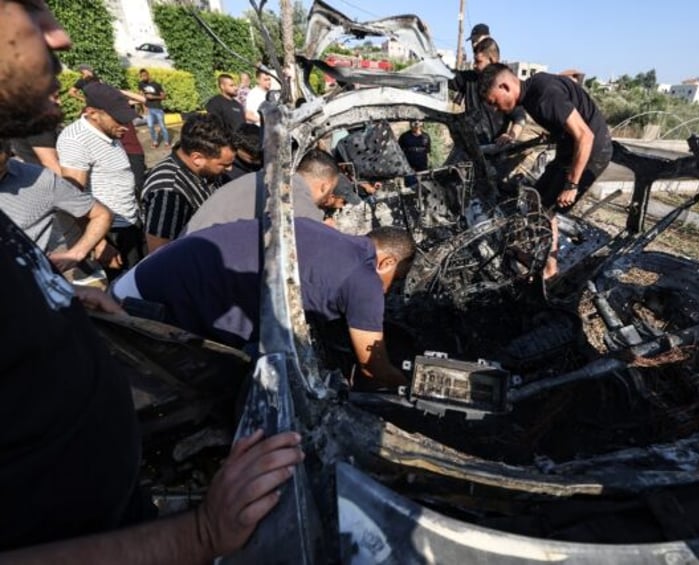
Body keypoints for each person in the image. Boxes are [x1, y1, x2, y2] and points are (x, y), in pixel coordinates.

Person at [0, 1, 303, 561]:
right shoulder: (161, 184)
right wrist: (200, 534)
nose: (59, 34)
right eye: (28, 7)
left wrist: (59, 298)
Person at [111, 217, 413, 387]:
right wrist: (408, 385)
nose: (388, 291)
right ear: (385, 261)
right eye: (395, 281)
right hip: (146, 311)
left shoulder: (322, 232)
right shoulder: (364, 278)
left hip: (139, 279)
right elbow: (374, 368)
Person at [478, 62, 612, 210]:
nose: (496, 109)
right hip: (568, 149)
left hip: (592, 151)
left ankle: (551, 227)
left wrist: (572, 185)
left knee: (550, 210)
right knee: (536, 201)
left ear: (504, 87)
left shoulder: (544, 95)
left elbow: (585, 136)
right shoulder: (531, 94)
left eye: (495, 102)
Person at [57, 82, 145, 274]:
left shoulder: (109, 131)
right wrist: (99, 244)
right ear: (93, 113)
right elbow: (74, 199)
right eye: (119, 120)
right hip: (112, 231)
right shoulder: (76, 140)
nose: (126, 127)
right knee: (127, 293)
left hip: (131, 220)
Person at [0, 138, 113, 272]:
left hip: (30, 284)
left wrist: (76, 254)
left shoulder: (41, 179)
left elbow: (101, 214)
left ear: (8, 154)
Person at [184, 148, 341, 234]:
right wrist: (325, 231)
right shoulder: (293, 197)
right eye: (330, 191)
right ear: (324, 187)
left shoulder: (268, 178)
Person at [142, 113, 235, 252]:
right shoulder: (168, 191)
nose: (230, 169)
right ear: (197, 158)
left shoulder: (204, 171)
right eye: (223, 164)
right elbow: (160, 254)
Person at [449, 38, 526, 148]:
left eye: (478, 61)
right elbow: (445, 76)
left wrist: (510, 136)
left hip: (493, 152)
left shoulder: (504, 87)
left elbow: (519, 117)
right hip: (470, 149)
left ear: (492, 60)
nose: (474, 65)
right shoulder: (469, 79)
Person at [138, 68, 169, 148]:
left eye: (144, 75)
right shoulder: (141, 84)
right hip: (149, 109)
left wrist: (153, 97)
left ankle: (166, 142)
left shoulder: (156, 84)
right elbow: (141, 97)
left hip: (158, 108)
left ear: (148, 75)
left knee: (162, 126)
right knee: (150, 126)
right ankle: (155, 142)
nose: (143, 77)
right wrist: (144, 109)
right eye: (141, 76)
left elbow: (164, 96)